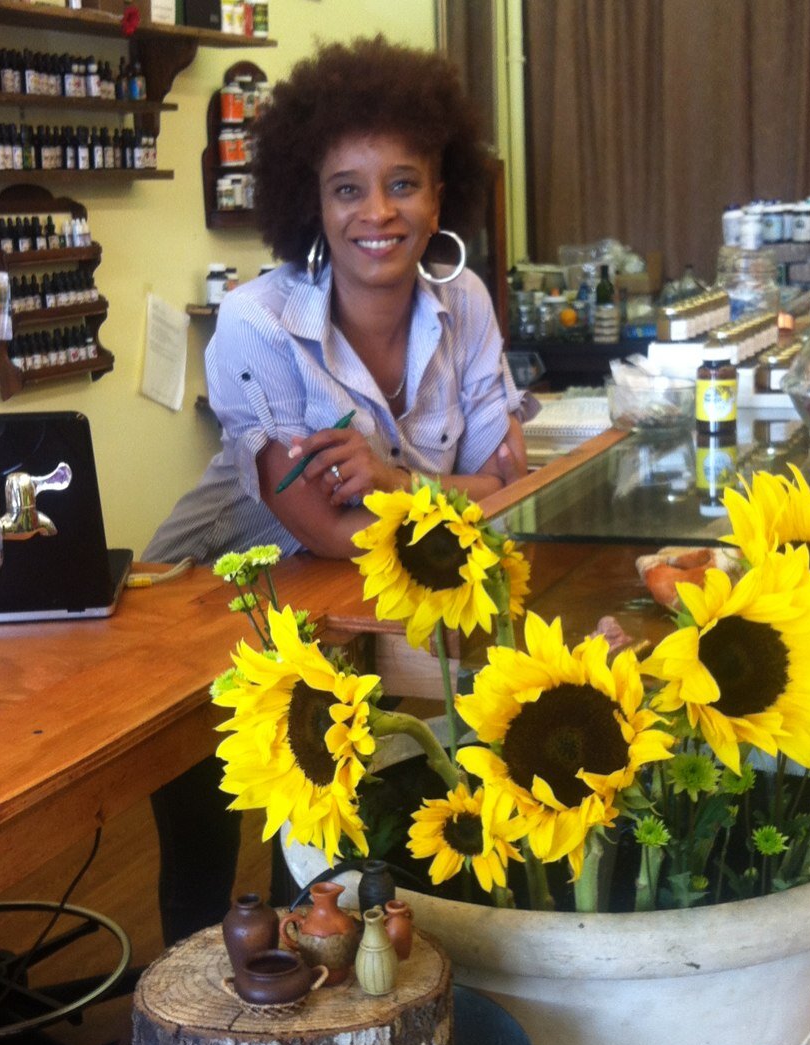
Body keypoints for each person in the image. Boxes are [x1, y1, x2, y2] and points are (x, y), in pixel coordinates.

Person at [143, 36, 531, 944]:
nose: (378, 213)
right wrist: (450, 493)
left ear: (442, 192)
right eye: (346, 189)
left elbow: (514, 490)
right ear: (310, 204)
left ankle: (322, 1011)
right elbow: (320, 527)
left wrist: (396, 481)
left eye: (403, 182)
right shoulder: (256, 325)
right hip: (209, 601)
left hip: (352, 607)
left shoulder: (464, 300)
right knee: (204, 871)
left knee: (321, 844)